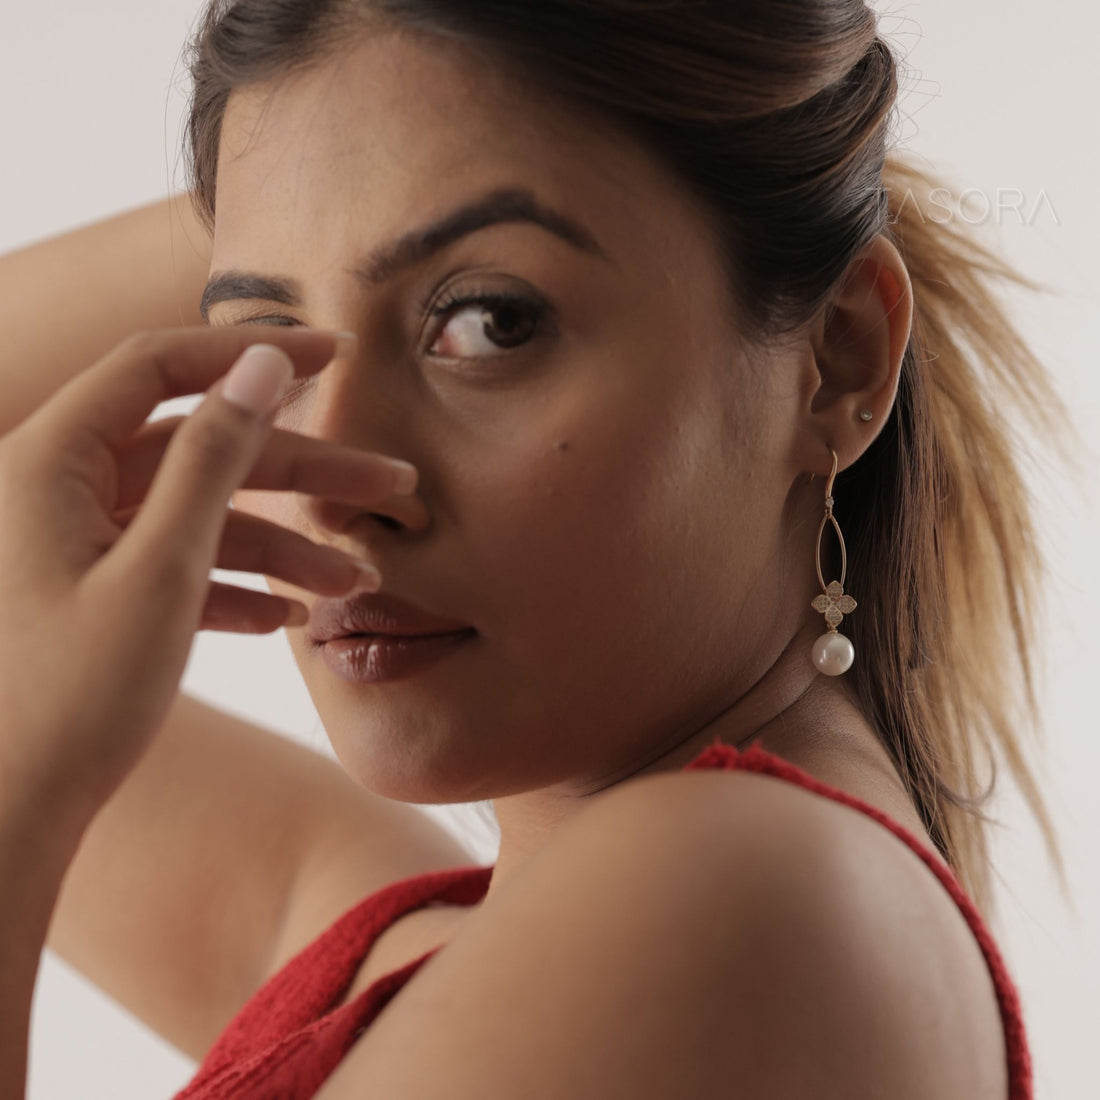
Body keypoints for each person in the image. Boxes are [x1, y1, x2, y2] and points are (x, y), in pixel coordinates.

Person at [0, 1, 1075, 1097]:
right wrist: (345, 157)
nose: (334, 494)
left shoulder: (741, 901)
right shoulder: (428, 943)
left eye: (489, 322)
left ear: (840, 360)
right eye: (271, 348)